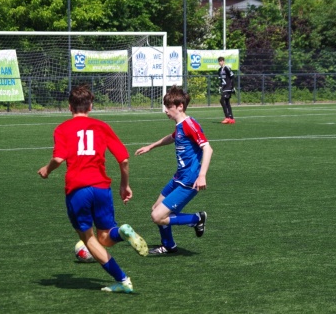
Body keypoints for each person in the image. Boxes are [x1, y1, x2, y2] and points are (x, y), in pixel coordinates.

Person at [37, 84, 148, 294]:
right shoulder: (102, 126)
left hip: (78, 189)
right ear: (91, 106)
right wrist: (124, 184)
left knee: (89, 238)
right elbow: (124, 160)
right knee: (105, 237)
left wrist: (46, 170)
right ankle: (122, 233)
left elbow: (59, 158)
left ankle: (123, 280)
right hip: (101, 187)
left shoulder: (62, 129)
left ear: (70, 107)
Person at [135, 85, 213, 255]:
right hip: (178, 177)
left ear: (180, 107)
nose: (166, 111)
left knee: (158, 217)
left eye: (168, 107)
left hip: (189, 181)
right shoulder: (180, 126)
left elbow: (208, 148)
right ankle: (169, 245)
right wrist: (151, 146)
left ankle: (197, 218)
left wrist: (202, 175)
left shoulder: (190, 124)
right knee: (155, 209)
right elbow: (172, 137)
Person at [217, 56, 236, 124]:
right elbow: (220, 80)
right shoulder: (219, 70)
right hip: (224, 88)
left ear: (224, 61)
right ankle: (231, 118)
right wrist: (220, 86)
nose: (220, 62)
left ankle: (227, 117)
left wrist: (233, 87)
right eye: (219, 61)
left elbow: (232, 76)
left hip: (228, 87)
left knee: (222, 100)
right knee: (227, 102)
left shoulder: (226, 68)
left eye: (221, 61)